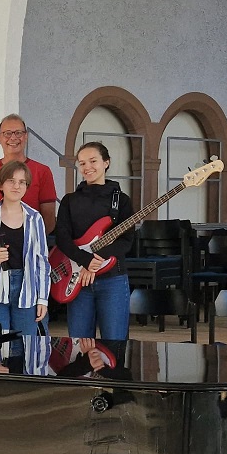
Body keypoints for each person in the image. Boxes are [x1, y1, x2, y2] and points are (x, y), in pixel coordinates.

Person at [54, 141, 133, 340]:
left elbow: (126, 241)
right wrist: (85, 261)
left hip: (113, 280)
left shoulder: (122, 201)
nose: (87, 167)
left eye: (93, 161)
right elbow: (62, 238)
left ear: (106, 162)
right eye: (82, 163)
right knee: (79, 344)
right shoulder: (69, 200)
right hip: (77, 278)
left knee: (115, 342)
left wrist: (95, 260)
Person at [0, 160, 49, 335]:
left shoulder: (35, 218)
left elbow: (42, 261)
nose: (17, 186)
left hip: (27, 289)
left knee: (25, 344)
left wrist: (43, 298)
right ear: (1, 184)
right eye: (11, 181)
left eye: (22, 182)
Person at [0, 114, 58, 234]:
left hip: (29, 242)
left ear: (26, 136)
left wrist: (32, 241)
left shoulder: (42, 172)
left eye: (18, 133)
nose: (13, 138)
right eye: (7, 133)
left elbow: (49, 218)